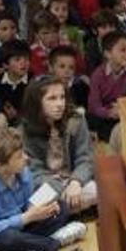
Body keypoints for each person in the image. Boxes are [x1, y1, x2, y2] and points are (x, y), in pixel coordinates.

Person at [0, 126, 87, 251]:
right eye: (19, 156)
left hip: (22, 224)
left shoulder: (23, 172)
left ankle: (31, 247)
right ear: (0, 167)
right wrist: (28, 217)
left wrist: (39, 206)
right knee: (9, 238)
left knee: (60, 207)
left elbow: (27, 205)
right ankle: (53, 243)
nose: (26, 157)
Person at [21, 77, 97, 213]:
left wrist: (76, 182)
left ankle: (61, 214)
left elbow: (85, 157)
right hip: (46, 184)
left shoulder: (76, 120)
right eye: (52, 98)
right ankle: (66, 213)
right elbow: (34, 170)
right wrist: (60, 187)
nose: (60, 104)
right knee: (35, 205)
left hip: (73, 180)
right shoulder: (24, 131)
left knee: (96, 191)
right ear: (37, 103)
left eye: (62, 97)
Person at [87, 31, 126, 141]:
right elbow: (94, 106)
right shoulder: (97, 75)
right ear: (108, 54)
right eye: (123, 50)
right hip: (106, 115)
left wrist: (123, 109)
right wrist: (109, 113)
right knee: (91, 119)